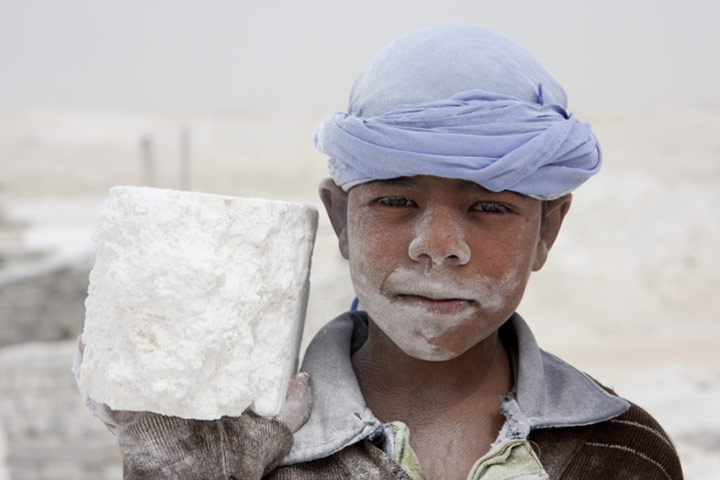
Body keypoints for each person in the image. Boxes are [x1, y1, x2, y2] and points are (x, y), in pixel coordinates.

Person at [76, 25, 683, 479]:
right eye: (395, 200)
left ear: (547, 230)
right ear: (340, 218)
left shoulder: (623, 452)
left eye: (490, 207)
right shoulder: (241, 450)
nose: (437, 247)